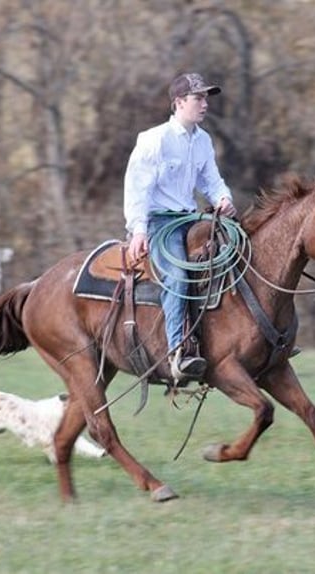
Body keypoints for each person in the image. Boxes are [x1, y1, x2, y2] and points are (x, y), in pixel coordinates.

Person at [123, 72, 237, 382]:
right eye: (198, 98)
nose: (204, 104)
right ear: (178, 103)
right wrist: (139, 230)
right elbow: (137, 188)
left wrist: (224, 198)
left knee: (235, 257)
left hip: (191, 218)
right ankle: (177, 352)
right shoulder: (154, 140)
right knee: (177, 275)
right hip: (160, 222)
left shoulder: (202, 140)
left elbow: (210, 180)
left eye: (206, 98)